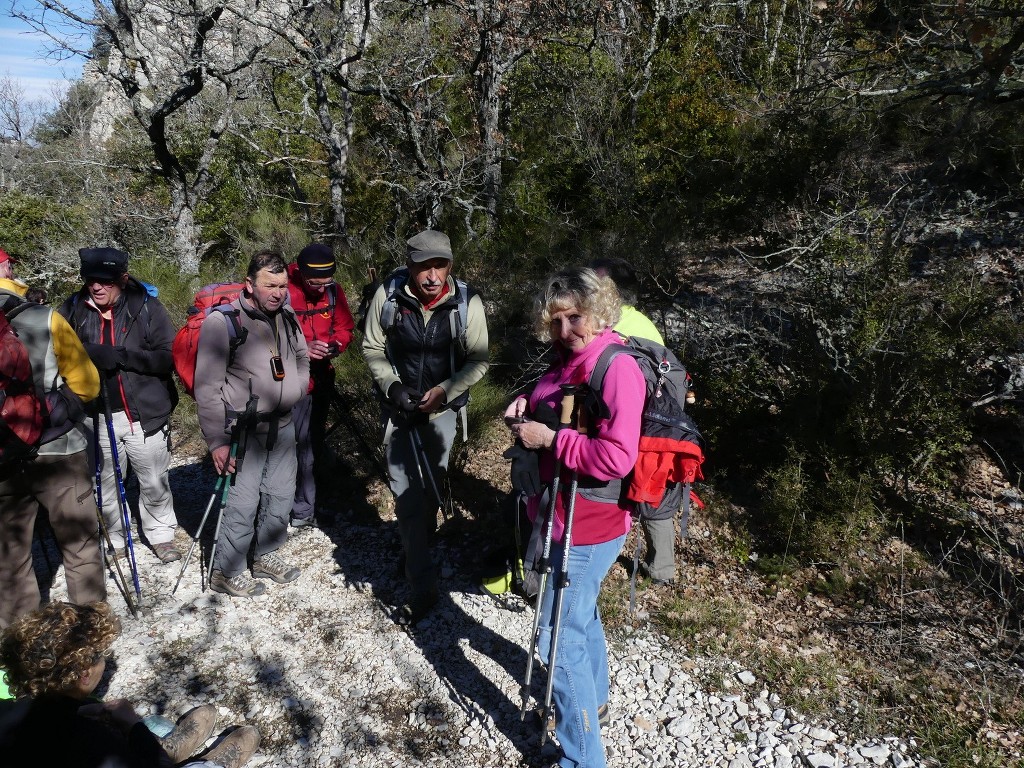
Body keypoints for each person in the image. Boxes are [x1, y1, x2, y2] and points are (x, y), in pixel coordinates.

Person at [505, 267, 645, 768]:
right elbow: (553, 406)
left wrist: (551, 440)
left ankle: (583, 757)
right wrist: (527, 409)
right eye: (555, 321)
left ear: (600, 312)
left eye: (575, 318)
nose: (565, 331)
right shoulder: (567, 360)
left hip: (589, 522)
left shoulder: (616, 368)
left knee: (554, 634)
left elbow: (616, 457)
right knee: (577, 616)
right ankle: (595, 699)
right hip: (560, 512)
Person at [361, 230, 489, 625]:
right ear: (410, 265)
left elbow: (479, 360)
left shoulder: (466, 303)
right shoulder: (389, 295)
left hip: (441, 414)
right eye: (423, 267)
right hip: (399, 411)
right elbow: (371, 347)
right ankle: (423, 586)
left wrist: (444, 392)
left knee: (428, 492)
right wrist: (393, 387)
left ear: (450, 265)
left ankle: (414, 547)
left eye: (440, 265)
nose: (432, 276)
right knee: (410, 499)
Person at [0, 601, 261, 767]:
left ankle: (170, 750)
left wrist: (77, 712)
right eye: (101, 655)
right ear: (84, 674)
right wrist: (134, 727)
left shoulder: (8, 711)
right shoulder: (96, 744)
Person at [195, 250, 310, 598]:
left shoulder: (286, 314)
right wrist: (217, 441)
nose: (278, 292)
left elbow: (302, 356)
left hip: (284, 422)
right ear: (249, 284)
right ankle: (226, 571)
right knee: (242, 502)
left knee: (280, 495)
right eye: (269, 285)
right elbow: (207, 387)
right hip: (243, 430)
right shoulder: (223, 322)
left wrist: (298, 386)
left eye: (282, 285)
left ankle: (266, 554)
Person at [58, 247, 182, 564]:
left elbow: (169, 358)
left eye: (105, 281)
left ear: (122, 279)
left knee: (153, 480)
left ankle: (161, 535)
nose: (97, 287)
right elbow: (55, 356)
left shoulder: (148, 308)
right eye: (90, 280)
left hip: (144, 415)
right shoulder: (72, 310)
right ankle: (116, 536)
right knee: (105, 482)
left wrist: (122, 357)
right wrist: (85, 354)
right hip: (95, 417)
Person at [0, 252, 103, 629]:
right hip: (58, 451)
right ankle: (89, 642)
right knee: (79, 547)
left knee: (10, 560)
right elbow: (88, 385)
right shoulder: (45, 318)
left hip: (3, 460)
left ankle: (20, 656)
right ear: (7, 270)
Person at [589, 257, 679, 585]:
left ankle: (595, 556)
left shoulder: (611, 325)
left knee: (614, 486)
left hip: (628, 421)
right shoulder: (645, 323)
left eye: (596, 284)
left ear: (613, 292)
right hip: (658, 422)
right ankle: (661, 571)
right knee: (652, 491)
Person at [285, 243, 355, 528]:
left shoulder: (333, 292)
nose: (321, 288)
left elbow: (345, 327)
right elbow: (267, 338)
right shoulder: (283, 291)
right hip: (290, 382)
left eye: (327, 282)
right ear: (301, 273)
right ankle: (297, 507)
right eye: (315, 283)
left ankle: (305, 503)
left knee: (311, 440)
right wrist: (303, 348)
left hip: (323, 375)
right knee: (293, 444)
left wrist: (336, 345)